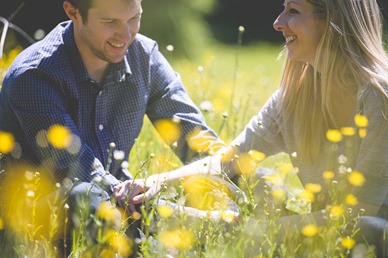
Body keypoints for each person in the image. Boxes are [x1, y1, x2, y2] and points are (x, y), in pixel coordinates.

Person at [117, 0, 388, 256]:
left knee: (369, 229)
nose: (278, 22)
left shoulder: (379, 96)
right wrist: (153, 183)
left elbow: (356, 215)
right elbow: (229, 159)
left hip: (366, 238)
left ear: (333, 20)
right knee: (251, 184)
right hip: (321, 233)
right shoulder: (297, 95)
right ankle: (169, 225)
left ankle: (188, 228)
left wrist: (246, 230)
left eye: (293, 11)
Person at [0, 0, 224, 255]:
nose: (126, 35)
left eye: (134, 19)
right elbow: (78, 170)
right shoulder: (34, 75)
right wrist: (175, 213)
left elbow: (196, 139)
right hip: (35, 221)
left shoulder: (144, 57)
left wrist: (239, 176)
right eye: (110, 22)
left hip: (120, 203)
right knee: (85, 197)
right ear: (73, 12)